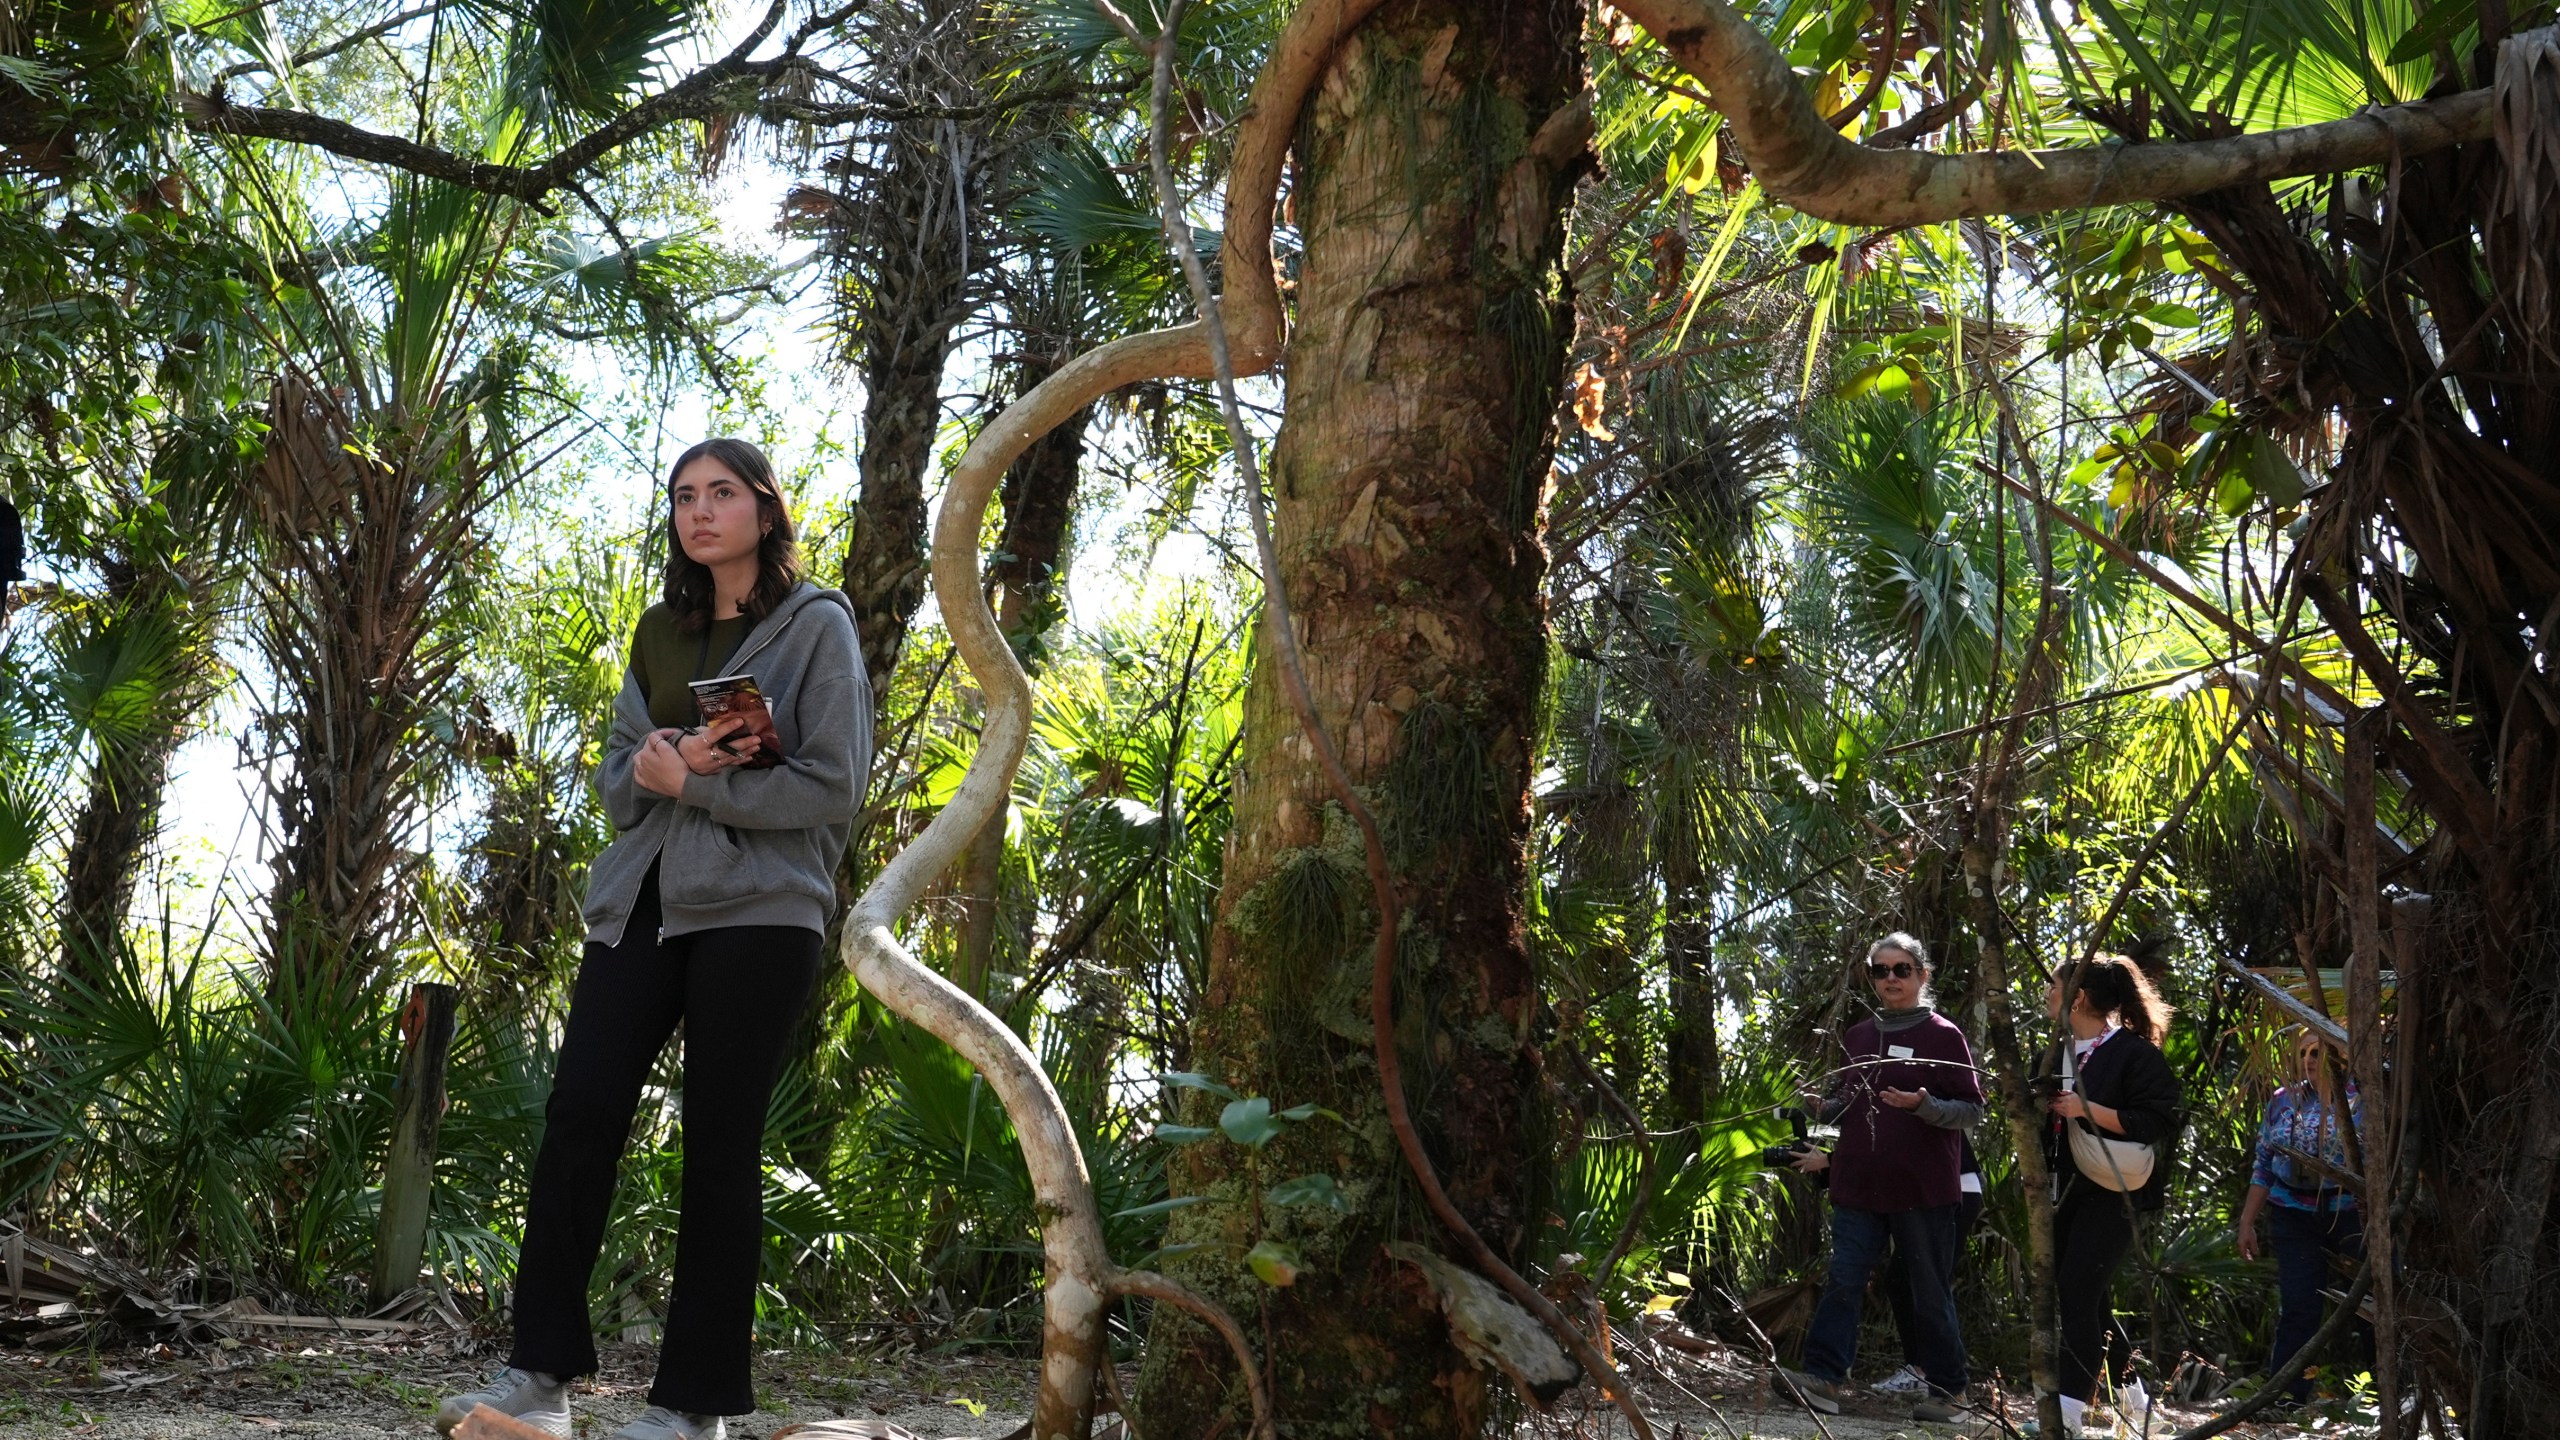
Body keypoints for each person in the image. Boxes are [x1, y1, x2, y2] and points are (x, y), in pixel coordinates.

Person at [437, 440, 872, 1440]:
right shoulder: (659, 632)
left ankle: (693, 1410)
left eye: (722, 494)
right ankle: (538, 1383)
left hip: (761, 910)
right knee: (579, 1114)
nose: (700, 512)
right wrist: (657, 769)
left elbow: (834, 785)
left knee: (720, 1149)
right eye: (684, 497)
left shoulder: (815, 627)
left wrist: (703, 781)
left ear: (765, 510)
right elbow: (615, 787)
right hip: (641, 904)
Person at [1774, 933, 1984, 1425]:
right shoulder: (1859, 1036)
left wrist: (1924, 1105)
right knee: (1844, 1278)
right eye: (1880, 969)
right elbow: (1843, 1109)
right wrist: (1821, 1108)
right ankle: (1823, 1379)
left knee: (1928, 1290)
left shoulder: (1944, 1035)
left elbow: (1973, 1110)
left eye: (1901, 969)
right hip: (1857, 1186)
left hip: (1922, 1190)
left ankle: (1949, 1392)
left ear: (1922, 976)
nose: (1890, 978)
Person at [2040, 954, 2182, 1439]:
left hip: (2115, 1190)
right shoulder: (2058, 1048)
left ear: (2077, 997)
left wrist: (2089, 1110)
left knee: (2078, 1292)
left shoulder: (2134, 1053)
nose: (2047, 993)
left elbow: (2161, 1120)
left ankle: (2067, 1415)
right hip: (2068, 1189)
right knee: (2088, 1298)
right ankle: (2135, 1402)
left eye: (2054, 985)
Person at [2237, 1027, 2367, 1406]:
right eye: (2305, 1052)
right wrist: (2247, 1222)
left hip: (2351, 1214)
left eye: (2319, 1052)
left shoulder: (2363, 1101)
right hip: (2293, 1214)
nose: (2310, 1060)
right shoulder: (2283, 1101)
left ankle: (2385, 1397)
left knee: (2371, 1304)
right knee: (2298, 1306)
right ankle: (2285, 1398)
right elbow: (2263, 1163)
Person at [1873, 1133, 1985, 1398]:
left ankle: (1942, 1379)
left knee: (1929, 1286)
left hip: (1950, 1189)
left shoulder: (1918, 1094)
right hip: (1928, 1191)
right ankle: (1920, 1371)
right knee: (1901, 1281)